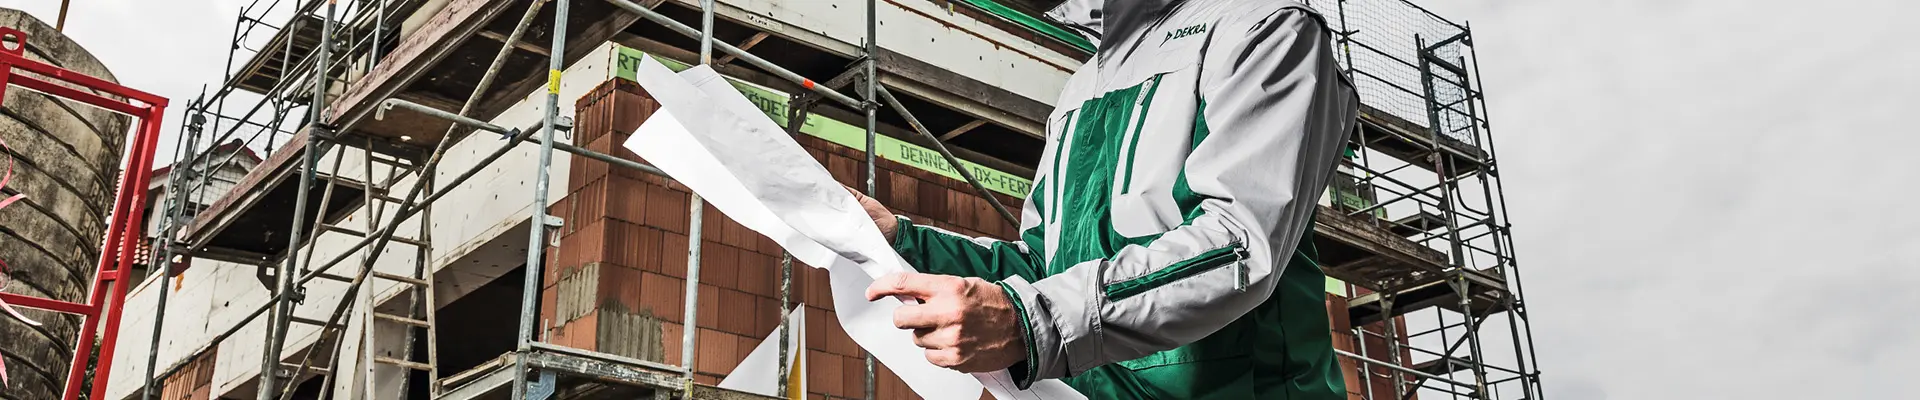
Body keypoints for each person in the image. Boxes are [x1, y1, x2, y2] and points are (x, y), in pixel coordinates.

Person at [854, 0, 1358, 398]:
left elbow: (1238, 245)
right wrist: (902, 241)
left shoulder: (1263, 27)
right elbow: (1045, 267)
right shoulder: (1082, 85)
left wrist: (1030, 321)